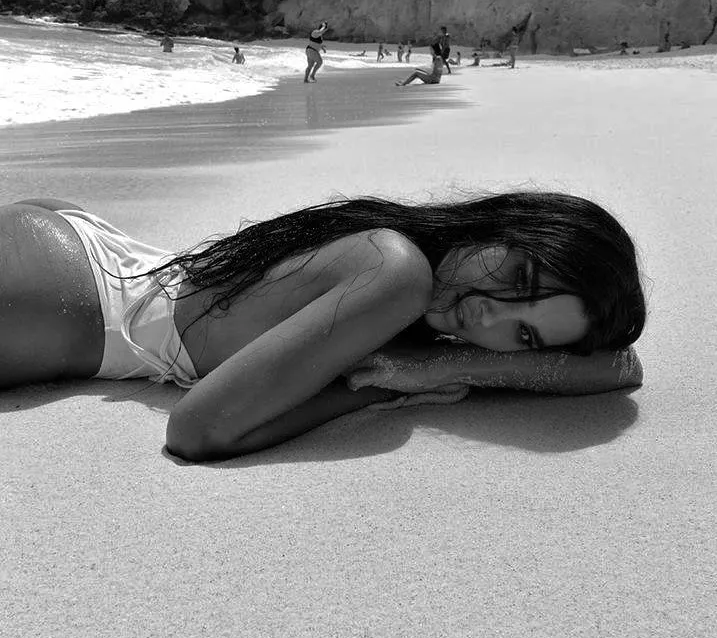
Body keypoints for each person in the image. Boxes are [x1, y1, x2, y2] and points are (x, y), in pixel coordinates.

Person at [0, 193, 646, 461]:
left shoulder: (418, 304)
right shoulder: (399, 274)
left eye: (526, 335)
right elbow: (197, 431)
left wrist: (450, 367)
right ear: (504, 226)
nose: (491, 314)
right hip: (60, 293)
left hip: (80, 274)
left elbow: (619, 367)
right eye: (521, 280)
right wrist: (382, 388)